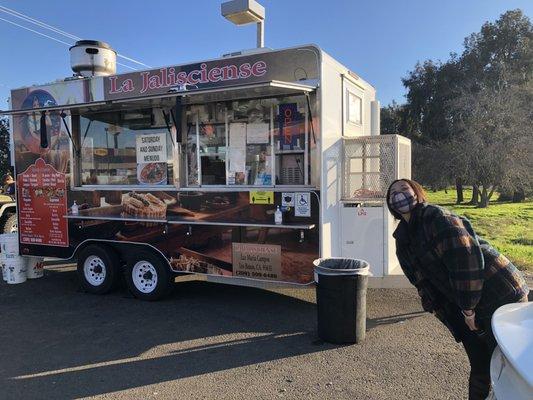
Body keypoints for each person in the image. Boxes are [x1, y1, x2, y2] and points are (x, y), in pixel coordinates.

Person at [386, 179, 529, 400]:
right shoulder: (403, 238)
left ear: (418, 192)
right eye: (393, 193)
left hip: (498, 292)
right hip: (465, 303)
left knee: (507, 363)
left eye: (404, 189)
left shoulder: (437, 218)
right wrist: (441, 310)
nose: (399, 195)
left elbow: (466, 263)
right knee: (480, 362)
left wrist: (468, 310)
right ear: (390, 204)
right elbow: (421, 281)